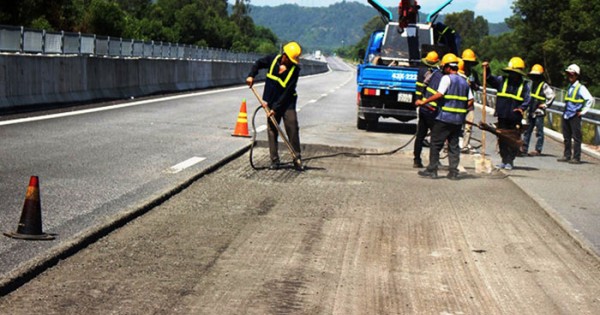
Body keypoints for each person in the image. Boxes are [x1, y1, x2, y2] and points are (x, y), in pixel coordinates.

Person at [246, 41, 304, 171]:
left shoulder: (295, 70)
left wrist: (275, 109)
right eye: (290, 60)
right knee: (272, 129)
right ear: (285, 56)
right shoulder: (272, 60)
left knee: (292, 126)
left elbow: (287, 92)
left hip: (287, 102)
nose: (291, 63)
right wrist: (251, 75)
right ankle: (274, 161)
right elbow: (258, 63)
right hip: (271, 101)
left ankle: (297, 158)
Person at [416, 53, 474, 180]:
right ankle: (453, 172)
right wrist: (462, 110)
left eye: (443, 67)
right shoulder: (464, 82)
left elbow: (439, 94)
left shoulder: (447, 79)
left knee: (436, 144)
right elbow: (471, 101)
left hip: (444, 118)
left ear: (448, 67)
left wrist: (423, 102)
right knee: (453, 146)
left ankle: (432, 170)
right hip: (458, 120)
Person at [482, 57, 531, 170]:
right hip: (502, 115)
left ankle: (510, 160)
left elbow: (527, 99)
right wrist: (487, 69)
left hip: (515, 117)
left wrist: (522, 108)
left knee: (512, 139)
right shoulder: (501, 80)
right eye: (511, 73)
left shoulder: (524, 86)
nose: (512, 75)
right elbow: (489, 79)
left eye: (514, 73)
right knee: (502, 138)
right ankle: (504, 159)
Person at [558, 64, 595, 164]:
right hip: (566, 114)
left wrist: (582, 111)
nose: (569, 76)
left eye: (572, 74)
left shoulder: (580, 87)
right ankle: (567, 155)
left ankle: (576, 157)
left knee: (576, 137)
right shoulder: (570, 86)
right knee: (566, 137)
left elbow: (589, 99)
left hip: (574, 115)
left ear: (576, 75)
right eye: (568, 74)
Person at [413, 50, 442, 168]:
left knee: (420, 135)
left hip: (423, 106)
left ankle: (417, 159)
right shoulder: (437, 75)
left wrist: (419, 100)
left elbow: (418, 89)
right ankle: (434, 161)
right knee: (435, 137)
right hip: (432, 109)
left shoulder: (421, 71)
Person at [521, 64, 555, 156]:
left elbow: (552, 96)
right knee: (527, 130)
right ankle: (524, 148)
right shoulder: (530, 84)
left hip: (539, 112)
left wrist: (545, 105)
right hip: (531, 110)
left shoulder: (544, 85)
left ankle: (538, 149)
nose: (534, 77)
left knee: (539, 131)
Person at [460, 49, 481, 153]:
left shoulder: (473, 74)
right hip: (458, 102)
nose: (469, 65)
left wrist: (472, 84)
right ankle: (448, 146)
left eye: (470, 63)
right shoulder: (458, 71)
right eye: (467, 62)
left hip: (469, 103)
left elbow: (478, 87)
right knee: (453, 125)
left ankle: (465, 145)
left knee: (468, 125)